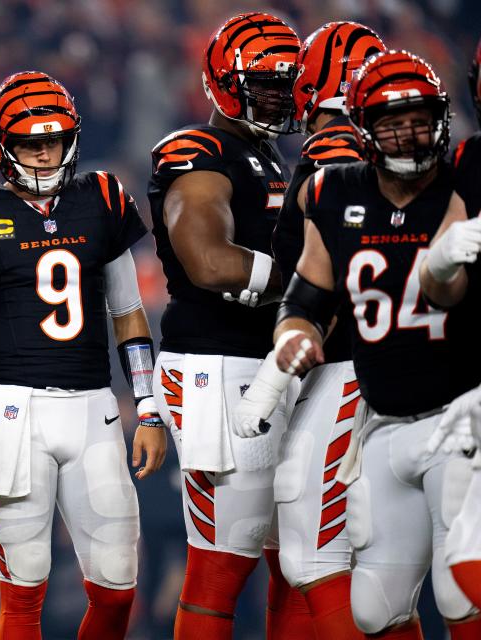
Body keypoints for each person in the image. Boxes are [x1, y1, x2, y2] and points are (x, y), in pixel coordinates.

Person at [0, 70, 165, 640]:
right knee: (23, 591)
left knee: (119, 584)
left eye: (52, 139)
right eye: (31, 142)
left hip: (96, 409)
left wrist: (147, 407)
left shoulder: (101, 197)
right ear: (3, 145)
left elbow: (128, 312)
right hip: (15, 412)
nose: (45, 152)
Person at [269, 50, 481, 639]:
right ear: (362, 127)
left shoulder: (463, 183)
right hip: (384, 423)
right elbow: (306, 297)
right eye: (392, 122)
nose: (410, 135)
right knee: (374, 608)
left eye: (420, 119)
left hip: (458, 418)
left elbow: (449, 290)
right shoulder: (333, 191)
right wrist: (294, 332)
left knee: (463, 589)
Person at [146, 13, 307, 639]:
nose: (277, 95)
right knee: (223, 561)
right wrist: (311, 292)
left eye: (286, 83)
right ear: (223, 81)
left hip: (271, 364)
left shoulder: (270, 156)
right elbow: (209, 261)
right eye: (263, 83)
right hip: (218, 369)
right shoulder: (200, 150)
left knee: (296, 556)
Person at [234, 21, 385, 639]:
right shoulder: (370, 152)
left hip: (348, 365)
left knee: (313, 554)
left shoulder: (336, 153)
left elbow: (335, 280)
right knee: (382, 570)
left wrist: (272, 374)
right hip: (366, 367)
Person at [418, 35, 481, 612]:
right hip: (471, 386)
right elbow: (440, 292)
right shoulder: (469, 163)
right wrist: (441, 260)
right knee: (464, 565)